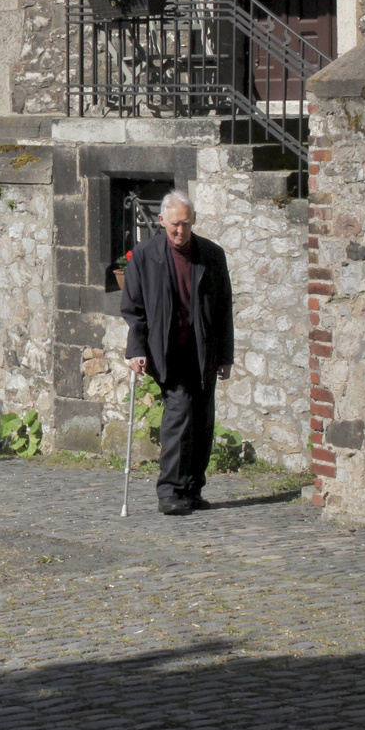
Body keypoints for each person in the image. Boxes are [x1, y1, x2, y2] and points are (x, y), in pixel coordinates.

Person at [119, 190, 234, 515]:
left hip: (204, 351)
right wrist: (136, 349)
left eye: (185, 224)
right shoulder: (144, 256)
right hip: (168, 352)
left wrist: (225, 356)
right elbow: (134, 309)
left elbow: (223, 307)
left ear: (193, 220)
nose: (180, 231)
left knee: (203, 420)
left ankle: (193, 489)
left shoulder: (211, 255)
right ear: (161, 221)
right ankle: (170, 491)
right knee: (180, 413)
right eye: (174, 226)